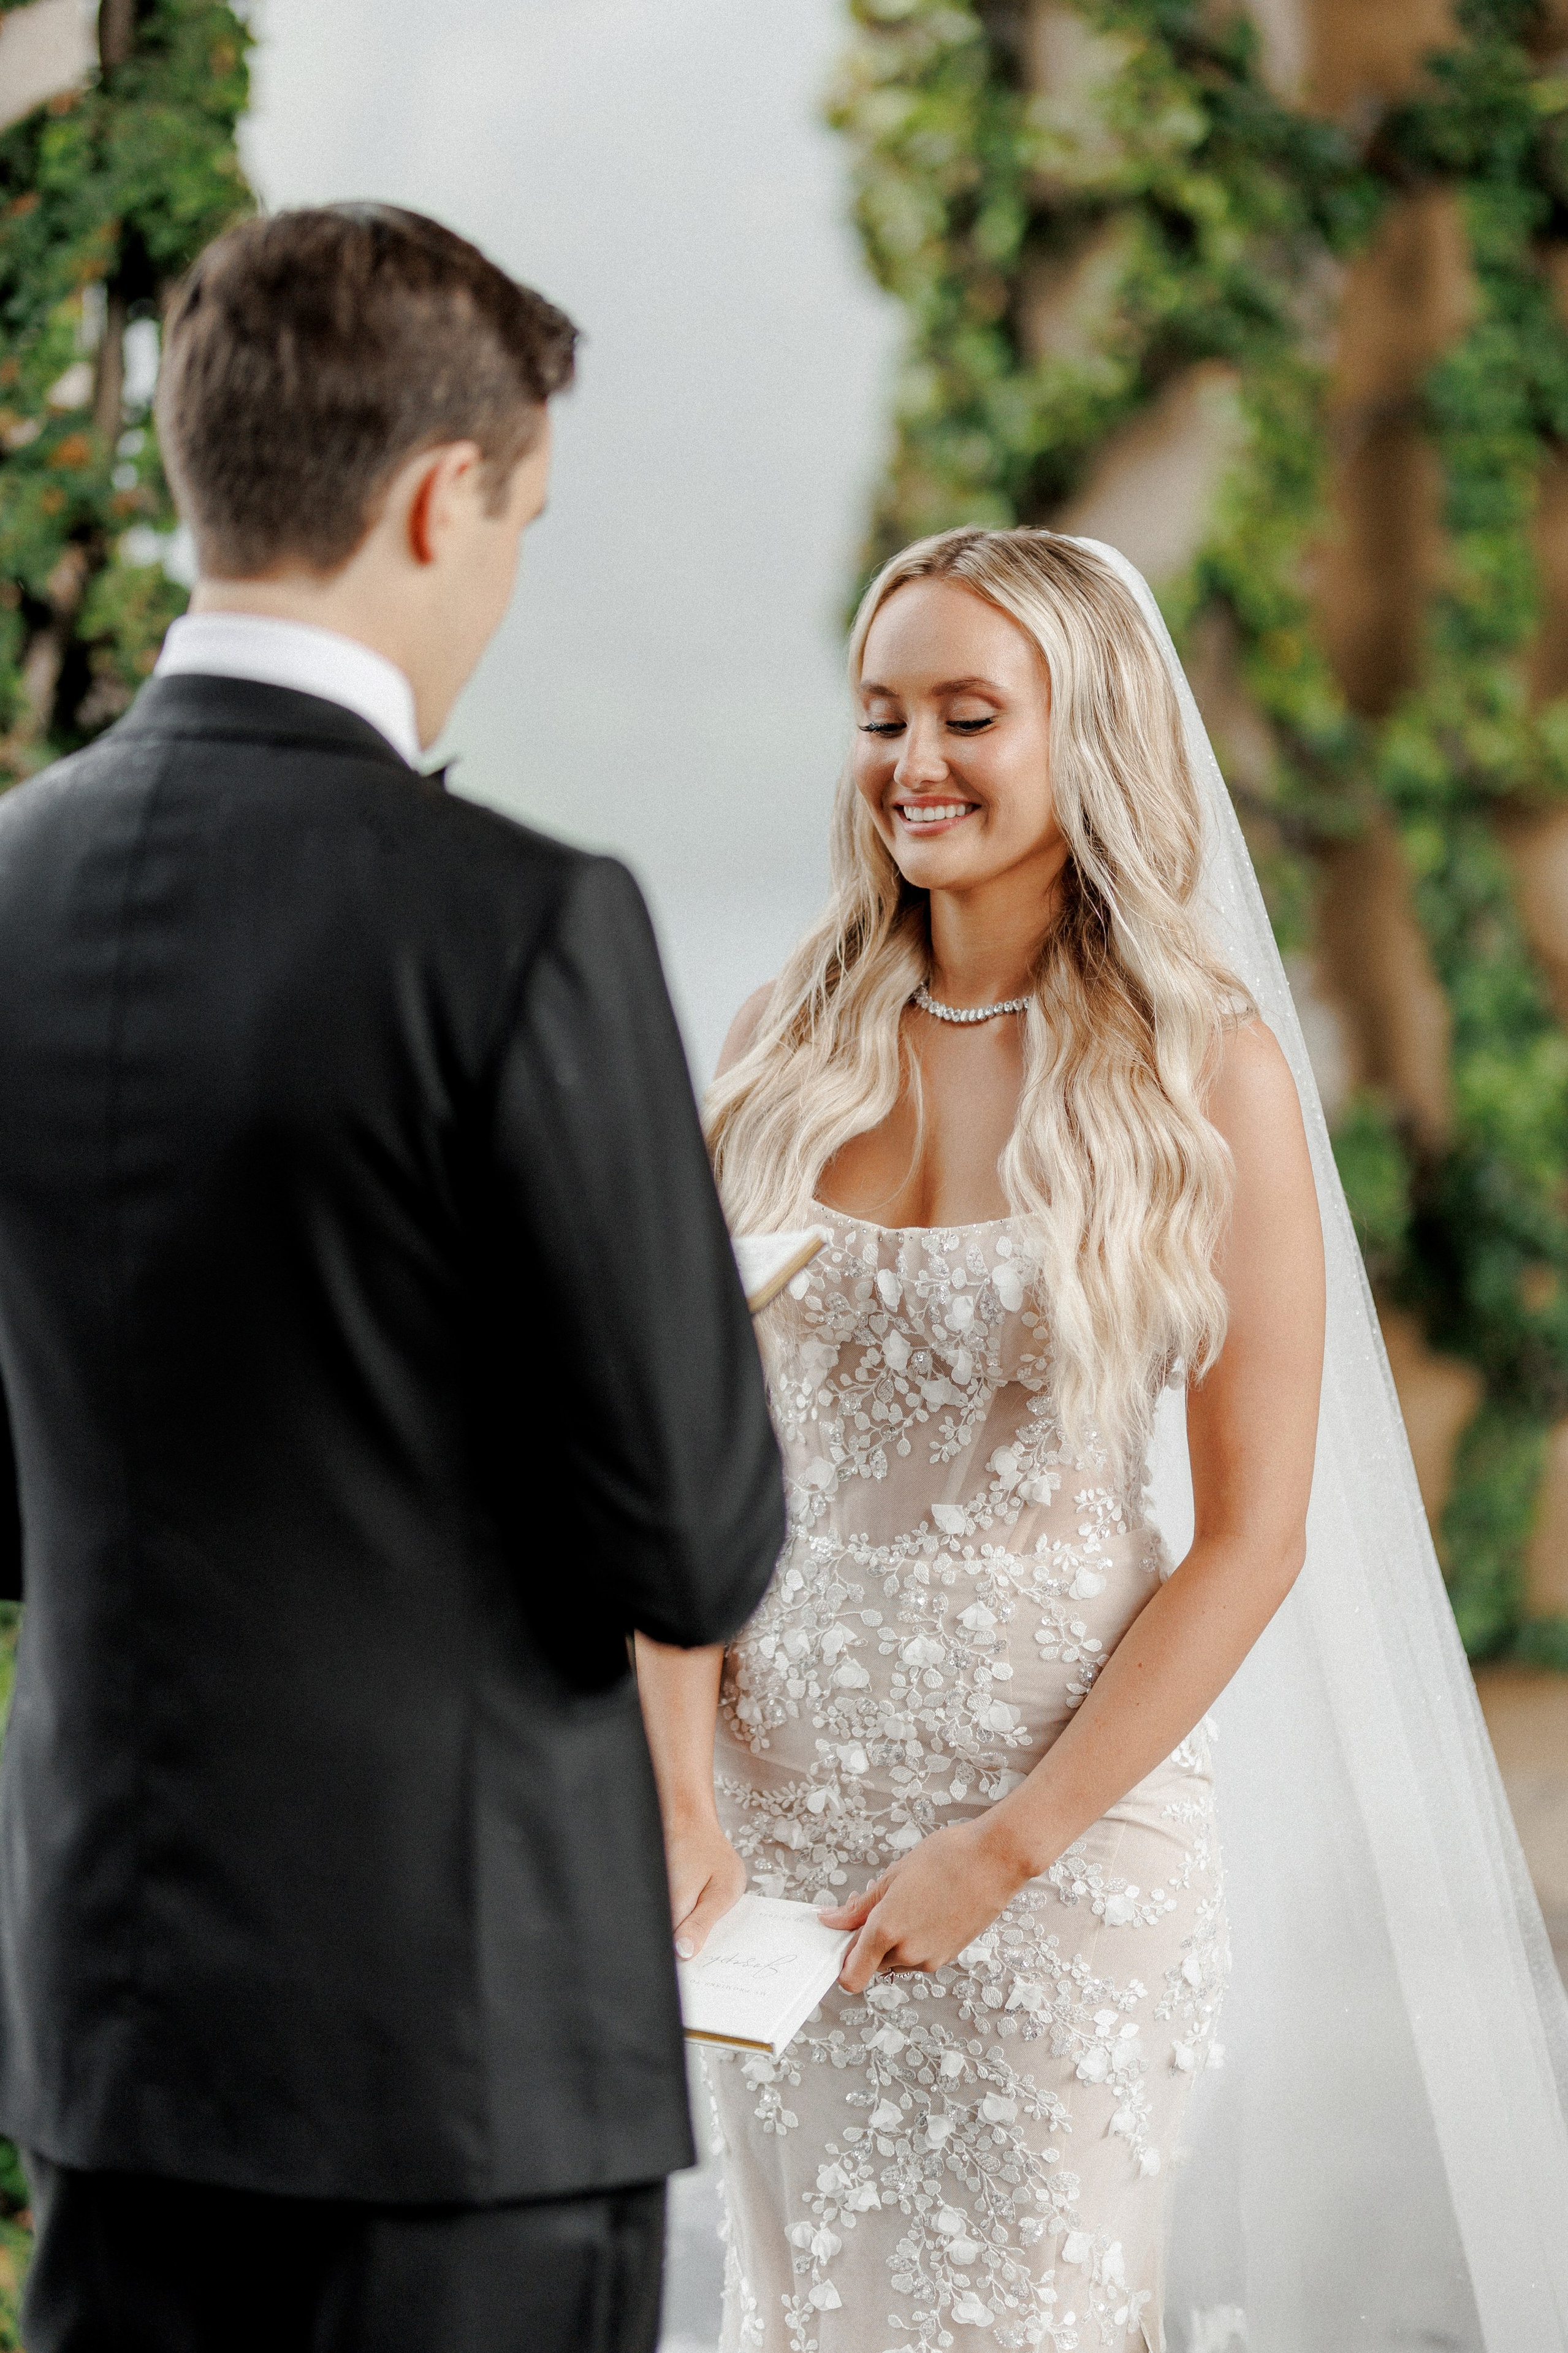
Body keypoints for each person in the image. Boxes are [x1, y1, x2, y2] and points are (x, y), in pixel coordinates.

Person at [636, 528, 1568, 2352]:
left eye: (968, 716)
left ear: (1092, 736)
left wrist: (1005, 1847)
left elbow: (1252, 1537)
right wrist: (676, 1794)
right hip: (770, 1836)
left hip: (1063, 1836)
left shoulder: (1201, 1072)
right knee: (799, 2305)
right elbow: (670, 1466)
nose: (912, 763)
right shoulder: (777, 1044)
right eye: (880, 715)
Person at [0, 205, 785, 2353]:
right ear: (445, 499)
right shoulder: (519, 922)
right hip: (468, 2063)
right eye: (523, 518)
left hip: (114, 2037)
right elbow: (697, 1532)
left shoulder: (9, 894)